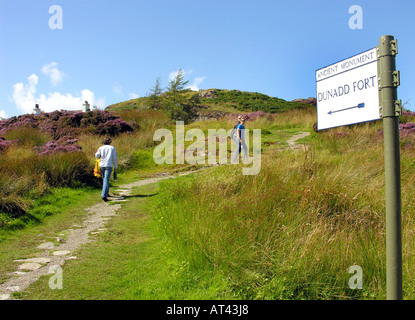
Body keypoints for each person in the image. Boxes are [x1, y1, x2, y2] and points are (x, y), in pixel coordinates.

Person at [95, 137, 118, 202]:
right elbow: (114, 158)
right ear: (110, 142)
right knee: (106, 179)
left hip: (102, 165)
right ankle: (103, 195)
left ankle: (106, 193)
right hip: (109, 165)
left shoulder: (101, 148)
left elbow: (97, 155)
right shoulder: (112, 148)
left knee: (104, 179)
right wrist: (115, 167)